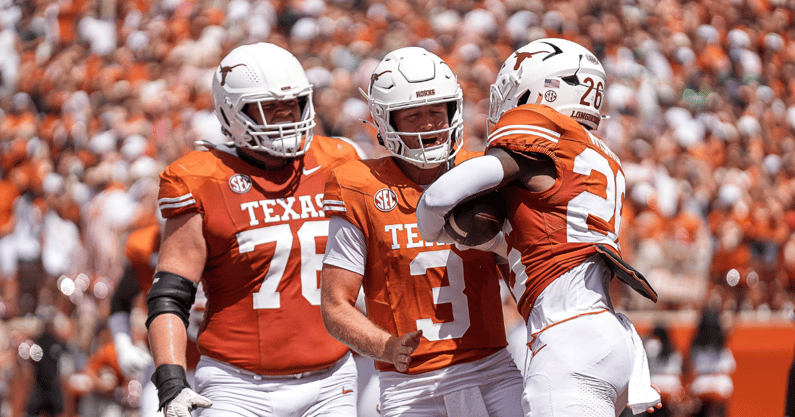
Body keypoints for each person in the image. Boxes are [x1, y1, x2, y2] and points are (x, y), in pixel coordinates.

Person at [415, 38, 661, 416]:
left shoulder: (547, 137)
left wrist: (431, 226)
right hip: (609, 335)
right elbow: (543, 241)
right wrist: (490, 239)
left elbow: (439, 196)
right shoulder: (600, 156)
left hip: (568, 339)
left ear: (544, 90)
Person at [146, 42, 363, 416]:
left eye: (291, 104)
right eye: (268, 108)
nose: (285, 117)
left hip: (332, 380)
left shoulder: (337, 161)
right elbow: (170, 294)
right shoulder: (200, 178)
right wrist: (171, 379)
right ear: (232, 112)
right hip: (239, 386)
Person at [320, 46, 524, 417]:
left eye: (436, 110)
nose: (429, 123)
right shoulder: (358, 184)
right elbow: (335, 305)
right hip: (410, 384)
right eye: (413, 115)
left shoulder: (480, 174)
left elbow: (522, 269)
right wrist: (385, 345)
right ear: (386, 121)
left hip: (493, 371)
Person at [108, 222, 204, 417]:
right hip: (165, 370)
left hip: (218, 369)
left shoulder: (220, 241)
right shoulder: (145, 249)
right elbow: (120, 300)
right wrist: (123, 344)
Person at [687, 308, 735, 417]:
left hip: (700, 383)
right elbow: (731, 366)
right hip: (720, 383)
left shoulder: (695, 342)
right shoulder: (722, 341)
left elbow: (689, 366)